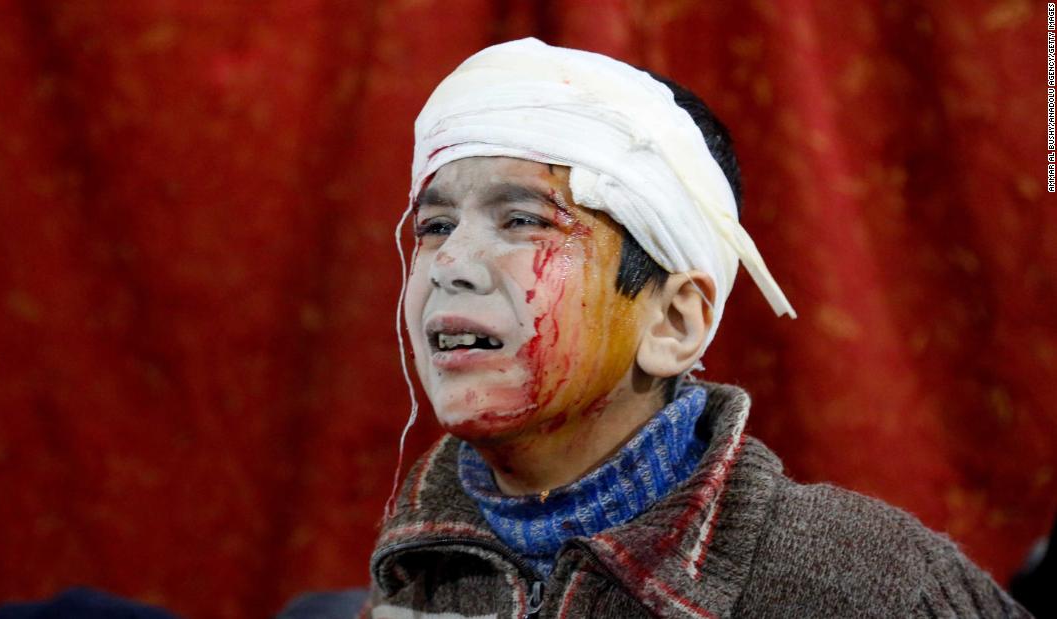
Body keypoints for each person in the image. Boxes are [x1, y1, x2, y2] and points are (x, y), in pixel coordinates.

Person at [364, 38, 1028, 618]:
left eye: (524, 220)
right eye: (436, 226)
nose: (450, 264)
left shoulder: (874, 586)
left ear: (674, 320)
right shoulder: (412, 570)